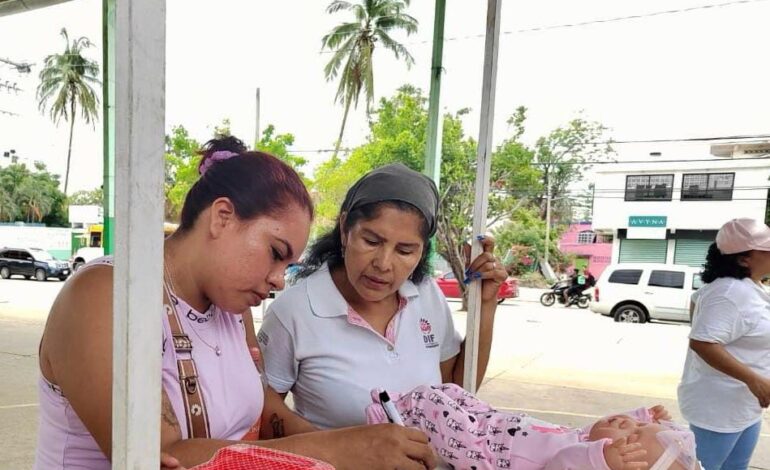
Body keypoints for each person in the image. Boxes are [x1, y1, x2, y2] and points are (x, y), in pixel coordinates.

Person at [34, 137, 437, 470]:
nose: (280, 279)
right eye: (276, 252)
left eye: (290, 264)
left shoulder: (232, 309)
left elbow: (262, 416)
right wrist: (347, 450)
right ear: (222, 217)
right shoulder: (107, 296)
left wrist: (369, 445)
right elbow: (157, 457)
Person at [257, 163, 508, 430]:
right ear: (344, 229)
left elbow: (455, 392)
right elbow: (262, 406)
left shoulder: (426, 295)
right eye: (372, 241)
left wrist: (485, 305)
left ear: (422, 251)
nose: (384, 264)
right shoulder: (295, 311)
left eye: (405, 250)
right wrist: (345, 450)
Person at [365, 383, 699, 470]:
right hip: (494, 424)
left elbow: (564, 463)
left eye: (633, 435)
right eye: (636, 423)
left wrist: (600, 460)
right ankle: (402, 408)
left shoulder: (586, 460)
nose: (627, 423)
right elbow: (610, 427)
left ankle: (385, 419)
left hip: (482, 453)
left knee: (430, 402)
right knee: (451, 392)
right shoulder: (591, 437)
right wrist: (648, 416)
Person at [678, 218, 770, 470]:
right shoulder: (730, 292)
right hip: (719, 409)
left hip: (744, 406)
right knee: (703, 467)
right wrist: (755, 380)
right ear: (743, 259)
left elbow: (696, 300)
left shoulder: (749, 287)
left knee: (736, 466)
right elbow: (702, 342)